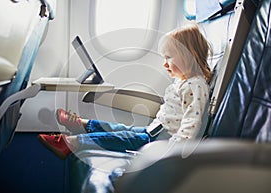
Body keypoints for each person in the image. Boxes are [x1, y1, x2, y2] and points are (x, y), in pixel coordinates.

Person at [38, 22, 213, 159]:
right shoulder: (183, 82)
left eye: (169, 57)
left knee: (122, 137)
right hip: (154, 131)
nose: (164, 63)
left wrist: (175, 151)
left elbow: (193, 122)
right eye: (164, 57)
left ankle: (70, 143)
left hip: (163, 141)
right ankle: (82, 124)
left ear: (190, 55)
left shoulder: (196, 86)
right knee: (118, 128)